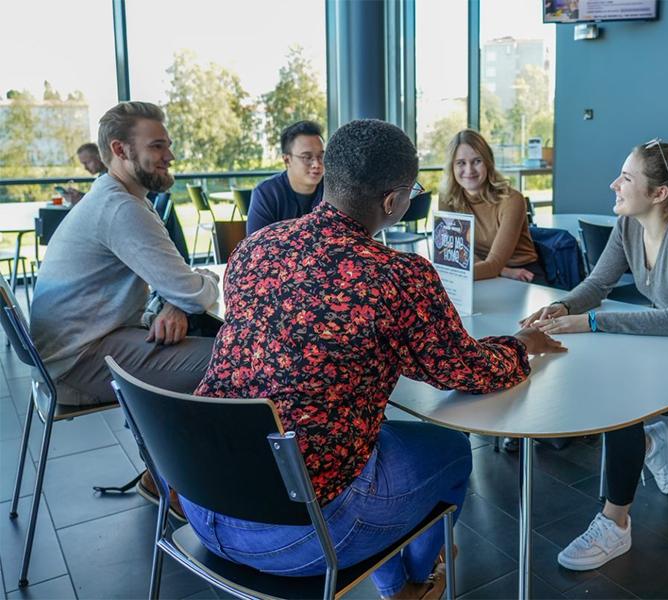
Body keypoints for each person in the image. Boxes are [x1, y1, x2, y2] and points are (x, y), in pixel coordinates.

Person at [184, 119, 565, 600]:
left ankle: (397, 580)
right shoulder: (397, 275)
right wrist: (520, 344)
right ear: (393, 202)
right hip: (297, 538)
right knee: (449, 452)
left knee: (362, 434)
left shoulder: (257, 248)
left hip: (201, 497)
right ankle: (414, 583)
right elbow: (467, 371)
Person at [521, 139, 668, 572]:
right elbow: (597, 285)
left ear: (659, 194)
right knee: (604, 374)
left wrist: (591, 322)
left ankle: (615, 523)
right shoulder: (629, 225)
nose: (614, 184)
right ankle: (649, 438)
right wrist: (565, 307)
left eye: (626, 178)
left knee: (619, 394)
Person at [30, 101, 220, 409]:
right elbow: (195, 294)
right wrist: (186, 294)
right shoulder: (122, 209)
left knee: (217, 344)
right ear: (120, 150)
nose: (169, 157)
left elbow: (180, 286)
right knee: (244, 358)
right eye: (157, 147)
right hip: (75, 365)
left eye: (168, 146)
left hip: (74, 351)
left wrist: (176, 301)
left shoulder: (116, 197)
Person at [438, 129, 545, 284]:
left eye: (477, 161)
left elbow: (493, 264)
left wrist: (439, 276)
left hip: (524, 275)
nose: (469, 170)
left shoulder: (511, 200)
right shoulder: (447, 198)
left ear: (488, 162)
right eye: (461, 163)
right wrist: (504, 271)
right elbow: (455, 252)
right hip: (485, 272)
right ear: (452, 167)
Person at [246, 120, 325, 235]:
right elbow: (255, 244)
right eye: (307, 157)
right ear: (287, 160)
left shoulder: (333, 190)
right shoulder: (266, 193)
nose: (317, 164)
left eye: (321, 156)